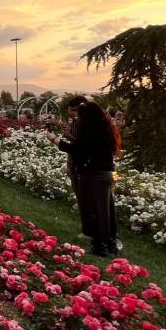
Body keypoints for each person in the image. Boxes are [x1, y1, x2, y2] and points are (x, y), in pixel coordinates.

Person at [51, 101, 122, 257]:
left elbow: (78, 151)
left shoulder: (90, 131)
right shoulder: (106, 129)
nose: (79, 118)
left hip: (92, 175)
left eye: (81, 115)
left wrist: (55, 140)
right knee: (106, 209)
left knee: (94, 209)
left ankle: (101, 244)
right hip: (106, 174)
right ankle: (110, 241)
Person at [61, 96, 89, 193]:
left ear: (74, 109)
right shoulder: (75, 121)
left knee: (82, 190)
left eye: (69, 108)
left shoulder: (83, 122)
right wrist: (69, 136)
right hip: (74, 159)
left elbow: (83, 144)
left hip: (79, 162)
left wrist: (70, 138)